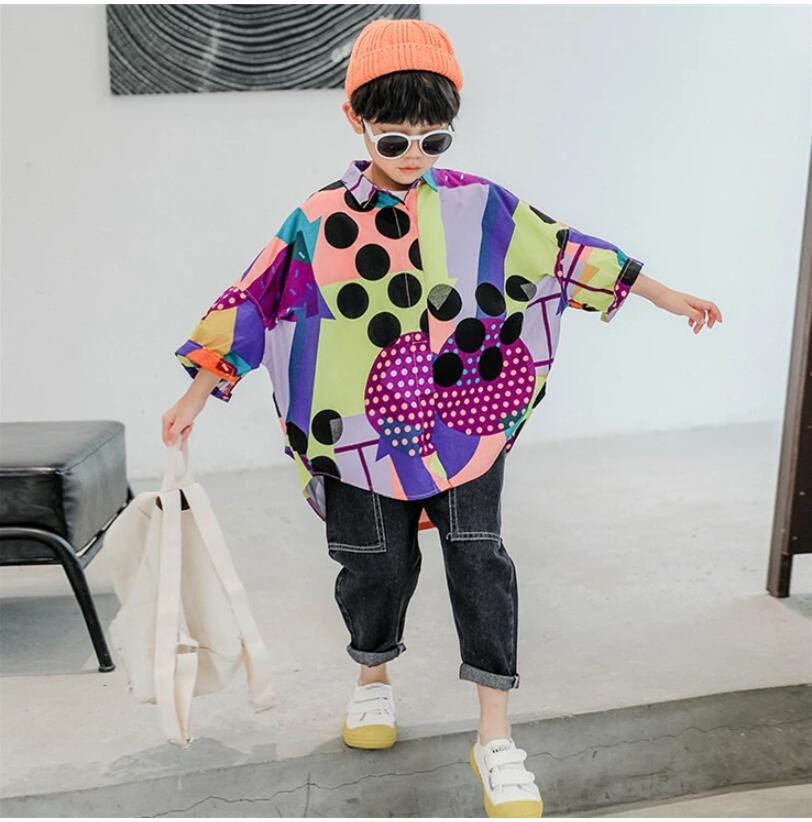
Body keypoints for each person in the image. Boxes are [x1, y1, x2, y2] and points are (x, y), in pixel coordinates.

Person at [161, 18, 722, 818]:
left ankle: (495, 734)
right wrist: (195, 392)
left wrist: (660, 293)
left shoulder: (479, 204)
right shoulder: (316, 218)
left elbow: (562, 250)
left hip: (467, 422)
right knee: (374, 567)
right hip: (355, 434)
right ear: (355, 120)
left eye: (434, 139)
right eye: (395, 139)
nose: (415, 156)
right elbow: (255, 298)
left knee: (479, 559)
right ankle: (372, 671)